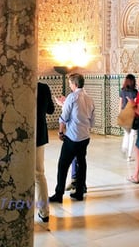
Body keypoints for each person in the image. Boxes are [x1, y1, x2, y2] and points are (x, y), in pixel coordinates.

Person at [49, 73, 95, 202]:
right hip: (85, 137)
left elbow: (64, 116)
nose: (69, 85)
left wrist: (60, 132)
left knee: (63, 165)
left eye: (70, 83)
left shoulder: (72, 97)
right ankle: (79, 192)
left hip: (72, 137)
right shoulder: (89, 99)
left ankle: (59, 194)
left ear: (74, 84)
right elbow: (92, 121)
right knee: (82, 163)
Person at [36, 81, 55, 222]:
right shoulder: (43, 87)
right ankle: (44, 211)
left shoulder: (18, 86)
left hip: (19, 136)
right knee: (39, 174)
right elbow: (50, 110)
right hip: (39, 134)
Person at [119, 74, 138, 161]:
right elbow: (135, 104)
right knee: (132, 135)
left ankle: (124, 147)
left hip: (123, 113)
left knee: (126, 133)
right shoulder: (135, 92)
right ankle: (129, 156)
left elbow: (120, 103)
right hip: (132, 114)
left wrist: (120, 113)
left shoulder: (122, 91)